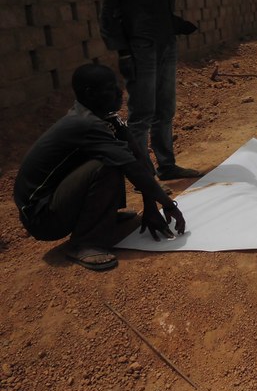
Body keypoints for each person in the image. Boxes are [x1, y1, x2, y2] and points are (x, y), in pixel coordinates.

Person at [13, 64, 187, 271]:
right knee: (107, 165)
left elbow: (137, 157)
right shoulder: (84, 123)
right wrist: (167, 203)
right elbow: (130, 166)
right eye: (110, 88)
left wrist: (151, 206)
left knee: (116, 156)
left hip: (55, 201)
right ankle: (84, 243)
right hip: (42, 217)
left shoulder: (106, 117)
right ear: (90, 94)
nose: (118, 93)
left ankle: (103, 217)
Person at [100, 0, 201, 182]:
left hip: (165, 40)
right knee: (142, 112)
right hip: (140, 44)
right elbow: (109, 5)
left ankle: (167, 165)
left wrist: (175, 23)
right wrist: (122, 49)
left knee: (165, 109)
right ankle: (142, 176)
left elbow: (153, 0)